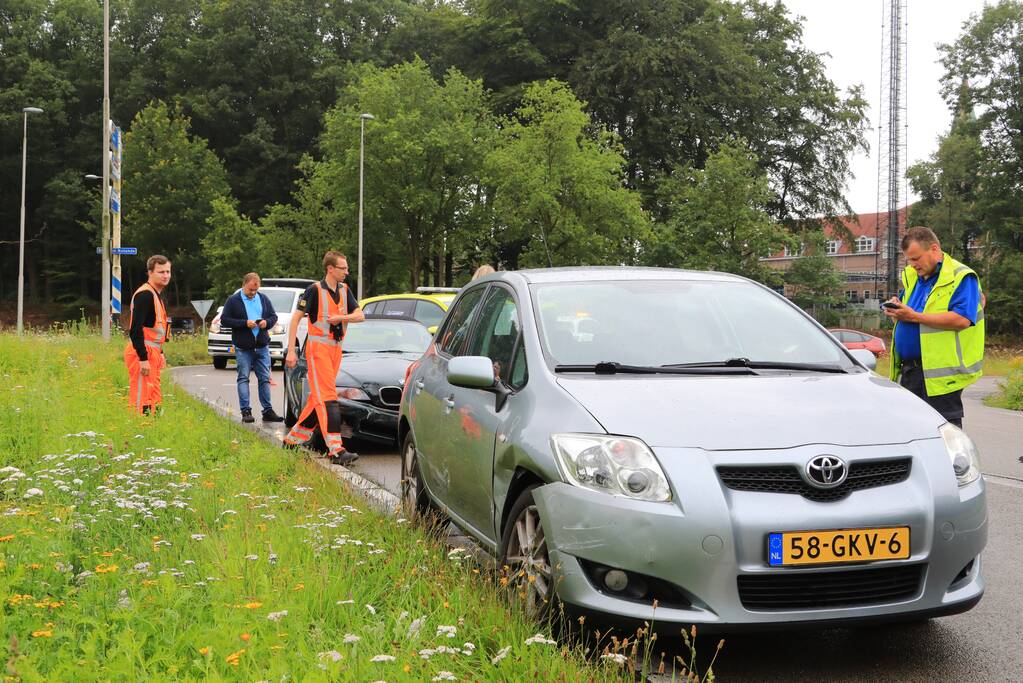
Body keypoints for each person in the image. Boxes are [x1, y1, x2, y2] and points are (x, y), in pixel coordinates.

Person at [884, 226, 984, 428]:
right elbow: (911, 315)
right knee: (912, 432)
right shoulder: (914, 278)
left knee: (945, 436)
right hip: (910, 371)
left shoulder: (961, 276)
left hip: (938, 376)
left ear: (934, 249)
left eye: (916, 258)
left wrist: (913, 316)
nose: (912, 265)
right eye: (909, 260)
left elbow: (962, 319)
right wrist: (898, 310)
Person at [283, 251, 365, 464]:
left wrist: (341, 317)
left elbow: (360, 315)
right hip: (318, 351)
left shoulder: (345, 290)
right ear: (330, 268)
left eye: (347, 268)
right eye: (343, 268)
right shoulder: (314, 291)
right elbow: (295, 320)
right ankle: (336, 450)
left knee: (316, 399)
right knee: (328, 397)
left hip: (335, 351)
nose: (347, 272)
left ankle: (292, 440)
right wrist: (291, 351)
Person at [219, 273, 285, 424]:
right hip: (243, 347)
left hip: (261, 346)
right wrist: (244, 323)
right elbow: (224, 320)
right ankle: (246, 411)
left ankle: (267, 411)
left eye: (256, 289)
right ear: (244, 285)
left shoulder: (263, 299)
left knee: (264, 379)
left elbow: (273, 317)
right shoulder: (233, 300)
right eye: (250, 290)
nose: (253, 293)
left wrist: (265, 323)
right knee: (243, 378)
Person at [124, 255, 172, 415]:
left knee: (154, 396)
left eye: (168, 271)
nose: (165, 275)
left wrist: (161, 352)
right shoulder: (145, 295)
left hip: (153, 352)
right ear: (150, 272)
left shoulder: (156, 295)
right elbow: (135, 329)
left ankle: (153, 428)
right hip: (143, 353)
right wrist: (143, 358)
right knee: (142, 397)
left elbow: (153, 330)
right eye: (161, 272)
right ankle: (138, 430)